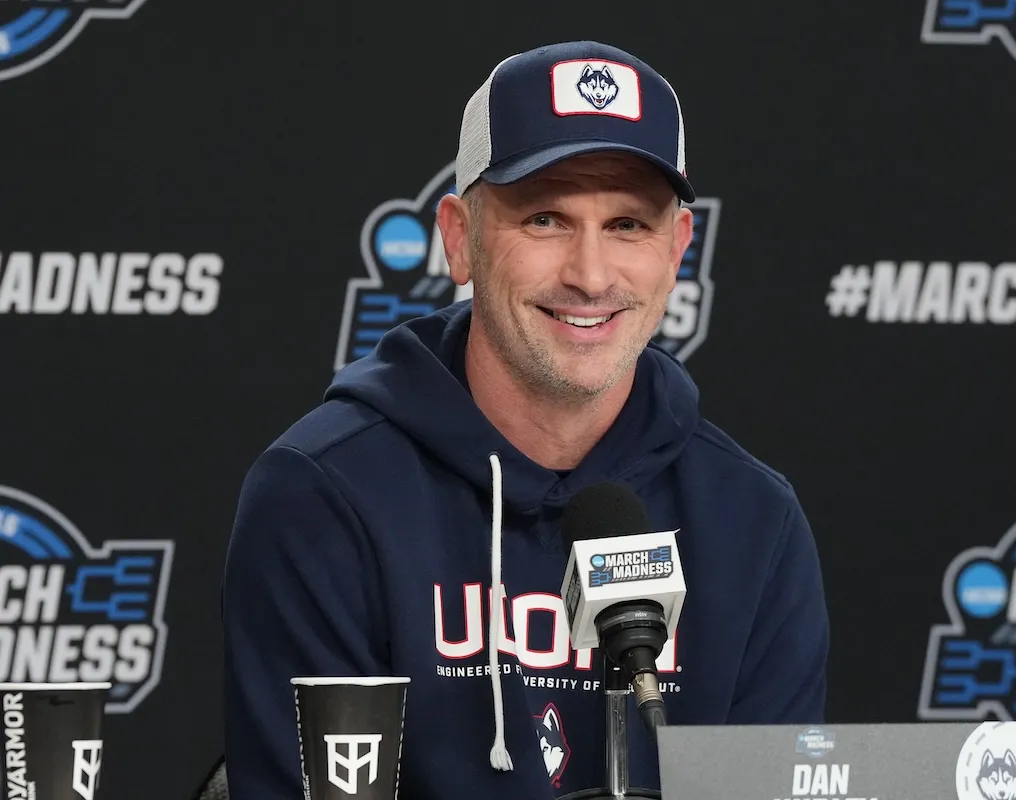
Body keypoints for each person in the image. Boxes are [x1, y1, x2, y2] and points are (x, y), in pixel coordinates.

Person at [221, 39, 829, 799]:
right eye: (545, 218)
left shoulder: (753, 521)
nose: (591, 275)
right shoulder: (325, 495)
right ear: (459, 238)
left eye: (628, 226)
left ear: (678, 248)